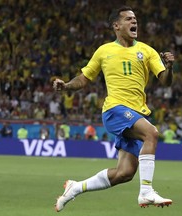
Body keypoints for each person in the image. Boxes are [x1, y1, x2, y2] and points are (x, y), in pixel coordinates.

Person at [53, 6, 174, 212]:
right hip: (115, 109)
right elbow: (84, 78)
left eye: (135, 19)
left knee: (124, 173)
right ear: (116, 26)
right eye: (128, 19)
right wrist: (66, 86)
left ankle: (75, 187)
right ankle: (146, 191)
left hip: (136, 112)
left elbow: (165, 81)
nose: (134, 22)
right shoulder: (104, 51)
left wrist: (169, 67)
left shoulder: (147, 50)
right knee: (151, 133)